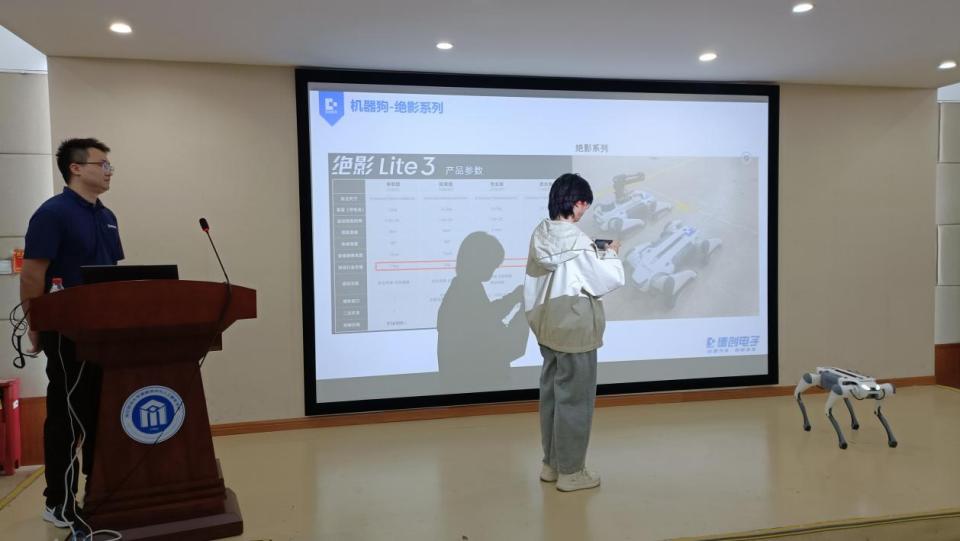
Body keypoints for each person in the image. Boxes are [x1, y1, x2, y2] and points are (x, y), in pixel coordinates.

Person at [19, 138, 124, 528]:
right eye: (102, 164)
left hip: (103, 332)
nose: (109, 171)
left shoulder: (107, 216)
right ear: (76, 168)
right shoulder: (53, 213)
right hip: (66, 331)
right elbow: (32, 274)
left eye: (110, 165)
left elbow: (112, 274)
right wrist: (36, 324)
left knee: (99, 412)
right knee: (68, 416)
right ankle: (58, 501)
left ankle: (98, 490)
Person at [523, 173, 624, 492]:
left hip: (549, 327)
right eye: (585, 206)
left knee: (552, 398)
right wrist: (610, 253)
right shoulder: (579, 244)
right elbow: (605, 280)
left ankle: (552, 465)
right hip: (576, 329)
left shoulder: (541, 233)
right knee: (576, 402)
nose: (584, 212)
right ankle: (571, 472)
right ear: (578, 203)